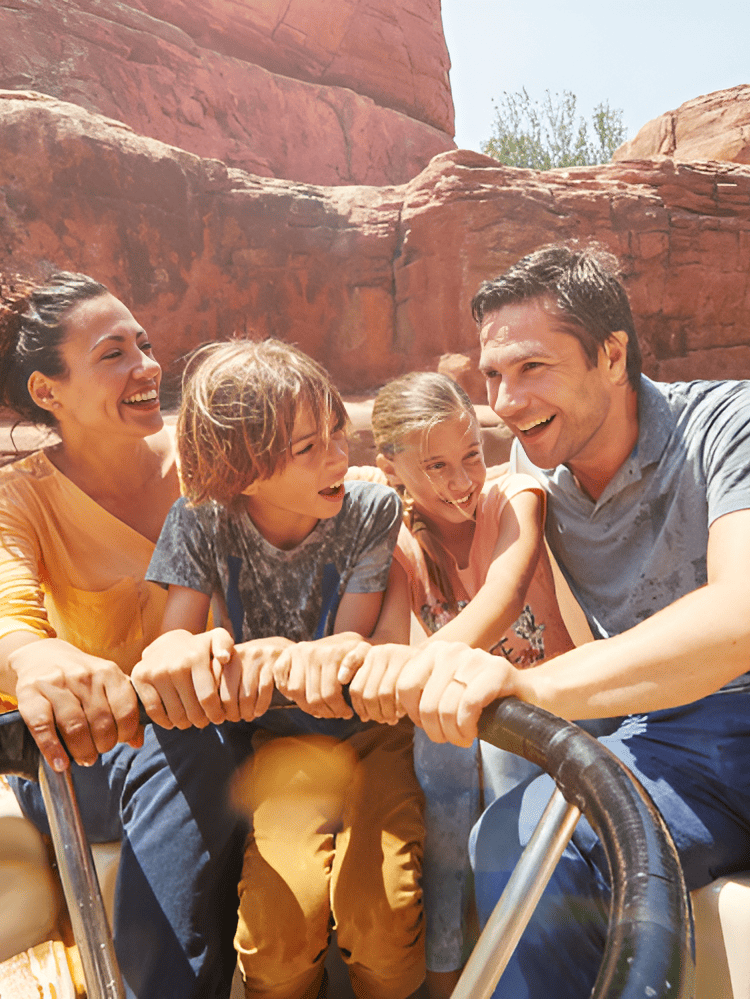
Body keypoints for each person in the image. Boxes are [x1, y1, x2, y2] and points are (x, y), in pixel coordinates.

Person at [388, 243, 750, 997]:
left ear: (612, 355)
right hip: (667, 731)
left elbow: (737, 616)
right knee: (512, 837)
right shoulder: (535, 476)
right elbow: (493, 585)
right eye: (493, 376)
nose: (507, 401)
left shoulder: (728, 424)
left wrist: (530, 684)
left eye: (532, 368)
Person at [138, 339, 425, 999]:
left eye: (336, 432)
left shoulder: (368, 509)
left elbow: (344, 656)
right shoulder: (201, 521)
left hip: (370, 730)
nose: (337, 455)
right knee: (276, 933)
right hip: (279, 742)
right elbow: (171, 646)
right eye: (307, 447)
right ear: (239, 467)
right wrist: (186, 653)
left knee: (382, 913)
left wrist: (259, 658)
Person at [0, 272, 246, 999]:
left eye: (143, 343)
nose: (146, 365)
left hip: (229, 724)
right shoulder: (22, 499)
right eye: (113, 353)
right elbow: (8, 614)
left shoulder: (205, 463)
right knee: (182, 741)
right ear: (50, 392)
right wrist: (38, 654)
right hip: (89, 757)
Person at [348, 371, 574, 997]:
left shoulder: (515, 495)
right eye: (437, 466)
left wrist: (421, 669)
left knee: (500, 760)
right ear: (389, 464)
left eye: (472, 454)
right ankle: (448, 983)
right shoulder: (392, 540)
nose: (462, 480)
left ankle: (525, 973)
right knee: (443, 772)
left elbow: (500, 600)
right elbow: (399, 645)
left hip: (546, 704)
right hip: (456, 724)